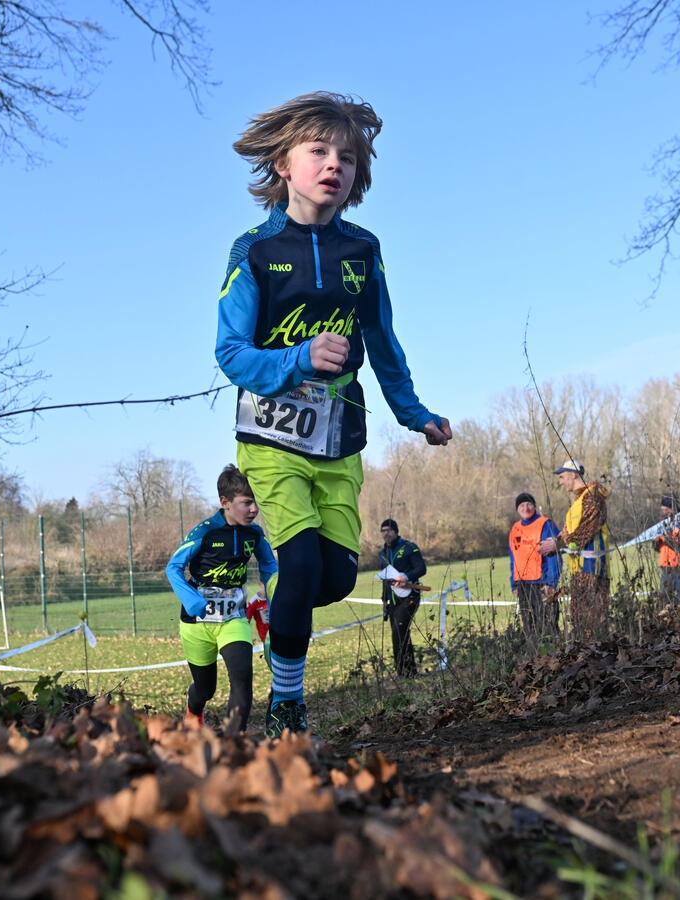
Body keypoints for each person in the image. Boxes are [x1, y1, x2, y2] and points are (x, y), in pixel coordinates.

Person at [215, 91, 452, 739]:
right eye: (318, 151)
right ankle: (286, 707)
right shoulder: (254, 254)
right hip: (271, 438)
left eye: (347, 157)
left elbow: (381, 339)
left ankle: (278, 607)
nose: (333, 165)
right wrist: (298, 358)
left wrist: (415, 413)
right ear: (284, 165)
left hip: (340, 438)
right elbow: (230, 354)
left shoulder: (363, 251)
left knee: (335, 576)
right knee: (297, 569)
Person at [166, 465, 277, 734]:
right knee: (205, 689)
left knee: (242, 679)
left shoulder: (254, 534)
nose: (254, 510)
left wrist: (275, 601)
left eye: (255, 503)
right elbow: (173, 567)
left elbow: (269, 566)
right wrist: (192, 601)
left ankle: (232, 742)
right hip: (196, 623)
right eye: (247, 503)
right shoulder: (205, 532)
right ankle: (193, 710)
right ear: (225, 503)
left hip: (233, 619)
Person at [538, 459, 611, 642]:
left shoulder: (593, 496)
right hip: (579, 568)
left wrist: (558, 544)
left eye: (562, 477)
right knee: (581, 621)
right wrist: (553, 543)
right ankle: (585, 660)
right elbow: (568, 533)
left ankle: (596, 662)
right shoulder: (578, 501)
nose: (561, 482)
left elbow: (585, 530)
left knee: (592, 622)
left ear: (574, 475)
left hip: (592, 568)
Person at [508, 492, 561, 647]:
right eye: (522, 505)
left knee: (547, 626)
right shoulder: (515, 529)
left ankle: (554, 661)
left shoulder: (545, 524)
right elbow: (513, 558)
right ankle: (534, 661)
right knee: (530, 628)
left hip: (542, 584)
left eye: (529, 504)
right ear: (517, 509)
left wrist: (551, 582)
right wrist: (514, 584)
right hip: (523, 586)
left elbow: (555, 555)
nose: (526, 508)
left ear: (534, 505)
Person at [377, 518, 427, 676]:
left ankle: (406, 673)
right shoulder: (382, 554)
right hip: (393, 599)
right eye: (383, 531)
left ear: (396, 531)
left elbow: (421, 568)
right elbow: (385, 579)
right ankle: (406, 672)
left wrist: (406, 576)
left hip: (410, 595)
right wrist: (384, 599)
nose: (386, 533)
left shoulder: (408, 548)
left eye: (389, 530)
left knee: (399, 629)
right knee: (398, 632)